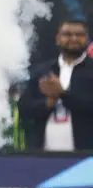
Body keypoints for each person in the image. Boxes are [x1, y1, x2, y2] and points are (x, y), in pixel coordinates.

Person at [18, 20, 93, 151]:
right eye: (67, 34)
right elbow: (24, 110)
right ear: (58, 39)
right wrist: (47, 103)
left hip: (85, 157)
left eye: (79, 35)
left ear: (87, 38)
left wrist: (63, 94)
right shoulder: (41, 71)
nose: (74, 38)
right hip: (42, 155)